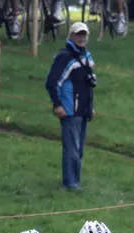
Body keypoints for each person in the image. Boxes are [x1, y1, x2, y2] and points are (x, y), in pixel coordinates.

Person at [45, 22, 96, 192]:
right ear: (71, 36)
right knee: (72, 149)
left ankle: (74, 181)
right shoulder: (64, 57)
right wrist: (57, 105)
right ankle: (71, 184)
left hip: (83, 110)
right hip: (69, 110)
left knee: (79, 149)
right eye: (78, 34)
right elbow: (51, 82)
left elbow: (88, 86)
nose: (81, 37)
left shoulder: (87, 57)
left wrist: (91, 108)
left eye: (84, 34)